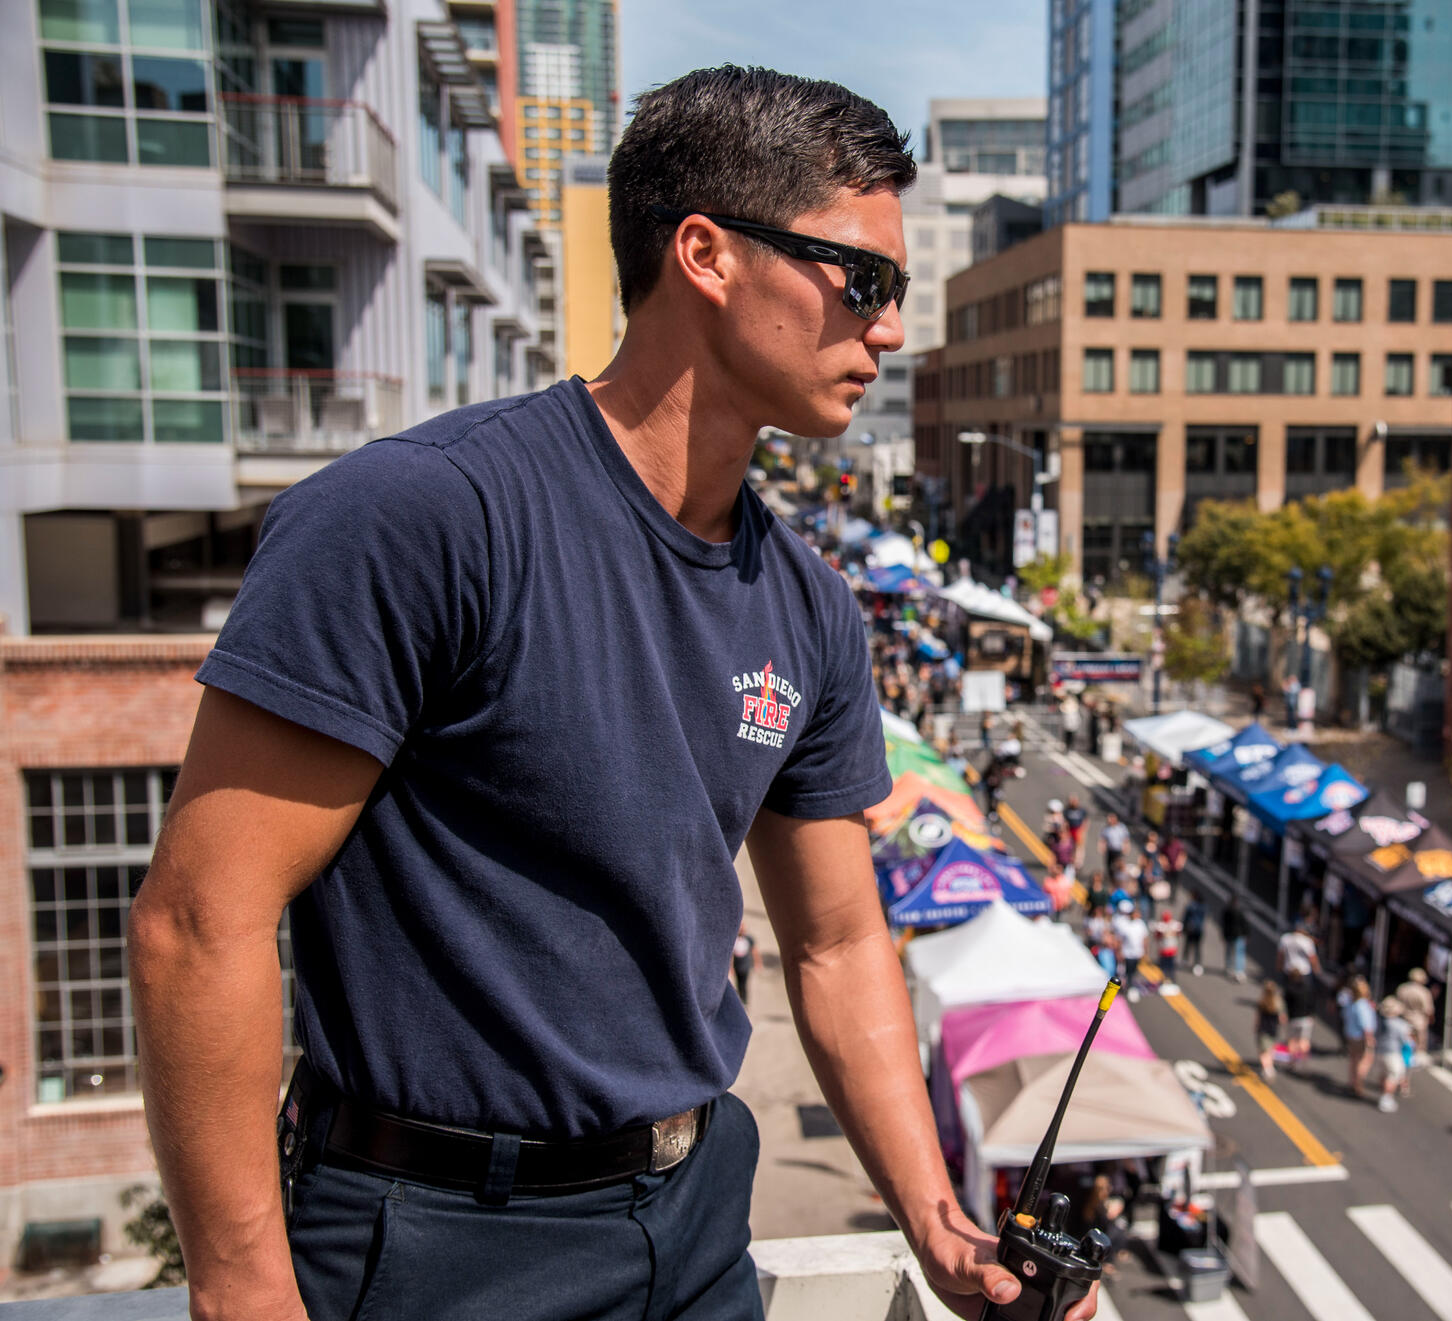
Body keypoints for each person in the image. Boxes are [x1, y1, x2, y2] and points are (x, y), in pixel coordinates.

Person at [128, 67, 1068, 1321]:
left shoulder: (809, 606)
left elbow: (839, 946)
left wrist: (939, 1223)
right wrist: (241, 1291)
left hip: (693, 1226)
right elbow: (200, 920)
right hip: (436, 1235)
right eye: (865, 279)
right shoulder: (424, 518)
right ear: (707, 254)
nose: (888, 328)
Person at [1396, 968, 1437, 1094]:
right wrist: (1431, 1020)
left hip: (1403, 1021)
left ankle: (1399, 1078)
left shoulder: (1402, 989)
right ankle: (1405, 1081)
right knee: (1412, 1054)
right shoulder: (1424, 992)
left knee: (1401, 1051)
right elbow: (1429, 1010)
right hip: (1418, 1024)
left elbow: (1397, 1005)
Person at [1375, 996, 1415, 1113]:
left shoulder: (1379, 1020)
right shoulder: (1399, 1024)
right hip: (1393, 1053)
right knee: (1392, 1076)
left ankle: (1384, 1094)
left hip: (1380, 1051)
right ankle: (1386, 1098)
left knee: (1383, 1074)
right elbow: (1406, 1041)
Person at [1344, 977, 1378, 1098]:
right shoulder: (1362, 1005)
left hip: (1351, 1034)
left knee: (1353, 1059)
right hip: (1360, 1037)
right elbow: (1366, 1025)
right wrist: (1370, 1038)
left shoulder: (1350, 1001)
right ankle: (1358, 1084)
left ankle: (1351, 1081)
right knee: (1365, 1060)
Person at [1283, 967, 1318, 1070]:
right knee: (1304, 1041)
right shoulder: (1308, 988)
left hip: (1293, 1018)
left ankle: (1293, 1062)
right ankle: (1303, 1062)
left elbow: (1286, 1005)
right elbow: (1312, 1002)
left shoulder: (1289, 989)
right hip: (1306, 1019)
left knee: (1292, 1041)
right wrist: (1312, 1014)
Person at [1254, 983, 1286, 1081]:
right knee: (1270, 1049)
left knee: (1263, 1052)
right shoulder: (1279, 1003)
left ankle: (1267, 1069)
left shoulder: (1262, 1002)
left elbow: (1258, 1018)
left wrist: (1256, 1027)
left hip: (1263, 1029)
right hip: (1273, 1029)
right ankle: (1270, 1067)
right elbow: (1282, 1019)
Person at [732, 922, 761, 1007]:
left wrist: (757, 963)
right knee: (738, 983)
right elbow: (731, 955)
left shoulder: (749, 939)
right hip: (737, 966)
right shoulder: (734, 939)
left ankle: (744, 1001)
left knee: (744, 983)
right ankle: (739, 1000)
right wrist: (730, 968)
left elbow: (754, 952)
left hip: (745, 966)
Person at [1220, 898, 1249, 982]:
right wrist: (1246, 934)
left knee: (1230, 951)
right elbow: (1245, 924)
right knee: (1239, 953)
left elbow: (1224, 924)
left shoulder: (1226, 912)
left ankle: (1229, 968)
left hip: (1230, 935)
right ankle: (1239, 971)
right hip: (1239, 935)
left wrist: (1223, 934)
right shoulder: (1240, 912)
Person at [1153, 908, 1182, 983]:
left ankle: (1171, 980)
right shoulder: (1160, 925)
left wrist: (1171, 933)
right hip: (1163, 950)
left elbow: (1179, 933)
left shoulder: (1174, 924)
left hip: (1171, 950)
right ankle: (1163, 980)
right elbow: (1157, 936)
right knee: (1163, 967)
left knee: (1171, 967)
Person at [1180, 892, 1207, 975]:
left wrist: (1183, 927)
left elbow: (1185, 917)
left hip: (1191, 929)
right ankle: (1197, 964)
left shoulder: (1191, 906)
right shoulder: (1203, 907)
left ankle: (1185, 960)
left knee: (1188, 945)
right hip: (1199, 930)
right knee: (1197, 948)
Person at [1101, 813, 1130, 880]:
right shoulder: (1107, 828)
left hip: (1118, 850)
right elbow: (1103, 838)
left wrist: (1126, 847)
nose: (1109, 821)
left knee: (1118, 864)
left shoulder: (1121, 827)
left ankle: (1118, 877)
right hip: (1110, 849)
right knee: (1109, 864)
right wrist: (1102, 846)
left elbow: (1126, 838)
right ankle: (1111, 877)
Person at [1065, 795, 1089, 869]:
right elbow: (1065, 821)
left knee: (1079, 847)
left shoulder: (1081, 811)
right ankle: (1070, 860)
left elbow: (1085, 821)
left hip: (1078, 830)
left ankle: (1078, 863)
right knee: (1070, 846)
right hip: (1070, 830)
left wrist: (1082, 831)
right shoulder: (1067, 810)